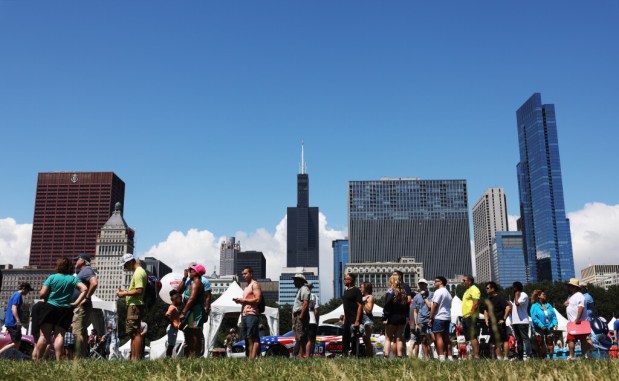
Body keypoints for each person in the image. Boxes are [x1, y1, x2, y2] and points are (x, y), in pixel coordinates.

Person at [34, 257, 88, 361]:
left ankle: (37, 361)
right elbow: (84, 289)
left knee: (44, 336)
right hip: (65, 309)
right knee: (60, 336)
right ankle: (59, 361)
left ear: (58, 266)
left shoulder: (52, 277)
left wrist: (42, 293)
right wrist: (76, 303)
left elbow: (42, 294)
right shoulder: (73, 279)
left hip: (49, 307)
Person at [176, 261, 212, 356]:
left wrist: (183, 312)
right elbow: (178, 291)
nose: (189, 272)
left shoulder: (196, 283)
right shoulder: (192, 282)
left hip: (195, 310)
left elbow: (192, 298)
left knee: (195, 333)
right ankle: (192, 353)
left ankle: (195, 355)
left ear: (196, 272)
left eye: (191, 271)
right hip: (191, 310)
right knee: (191, 332)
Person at [116, 253, 147, 361]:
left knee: (135, 332)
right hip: (134, 305)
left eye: (125, 264)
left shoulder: (138, 273)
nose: (124, 267)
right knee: (133, 333)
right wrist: (125, 292)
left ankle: (135, 358)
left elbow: (139, 291)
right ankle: (133, 357)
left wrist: (124, 294)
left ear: (130, 262)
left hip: (135, 305)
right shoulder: (139, 272)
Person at [71, 253, 98, 358]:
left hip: (82, 306)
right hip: (81, 306)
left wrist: (86, 297)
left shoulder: (87, 270)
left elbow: (94, 283)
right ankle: (81, 356)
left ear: (82, 260)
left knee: (77, 332)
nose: (76, 262)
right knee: (81, 332)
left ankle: (78, 357)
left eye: (77, 259)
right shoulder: (84, 272)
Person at [234, 266, 262, 360]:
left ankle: (251, 358)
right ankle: (252, 357)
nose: (243, 275)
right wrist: (241, 301)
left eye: (245, 273)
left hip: (252, 314)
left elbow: (258, 299)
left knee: (251, 337)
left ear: (251, 274)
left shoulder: (255, 284)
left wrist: (243, 300)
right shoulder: (246, 287)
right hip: (245, 314)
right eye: (243, 274)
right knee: (247, 337)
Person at [0, 282, 33, 355]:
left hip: (10, 322)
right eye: (28, 290)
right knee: (16, 342)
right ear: (24, 289)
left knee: (16, 341)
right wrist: (18, 321)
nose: (28, 293)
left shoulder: (15, 294)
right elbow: (14, 308)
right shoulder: (18, 295)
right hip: (13, 323)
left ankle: (13, 357)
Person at [564, 278, 591, 359]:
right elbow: (569, 304)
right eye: (568, 286)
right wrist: (565, 303)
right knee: (571, 339)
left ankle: (583, 355)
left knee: (582, 339)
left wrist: (577, 318)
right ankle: (572, 356)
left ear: (574, 287)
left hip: (579, 321)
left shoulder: (579, 295)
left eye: (570, 286)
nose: (568, 288)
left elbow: (581, 307)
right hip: (572, 322)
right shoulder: (570, 296)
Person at [484, 281, 511, 360]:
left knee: (505, 340)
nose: (486, 290)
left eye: (487, 288)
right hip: (491, 323)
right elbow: (486, 311)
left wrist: (504, 319)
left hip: (500, 323)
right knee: (496, 341)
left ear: (493, 289)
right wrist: (486, 320)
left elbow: (508, 307)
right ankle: (499, 358)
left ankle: (506, 357)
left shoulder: (500, 298)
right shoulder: (488, 299)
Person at [383, 274, 408, 358]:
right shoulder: (403, 292)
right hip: (402, 318)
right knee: (399, 338)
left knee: (388, 338)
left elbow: (387, 304)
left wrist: (385, 316)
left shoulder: (390, 291)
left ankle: (386, 356)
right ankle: (400, 356)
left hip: (392, 317)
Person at [429, 276, 452, 362]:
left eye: (436, 281)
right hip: (447, 317)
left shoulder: (438, 292)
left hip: (439, 317)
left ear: (441, 282)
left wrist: (431, 317)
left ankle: (441, 357)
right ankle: (449, 357)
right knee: (446, 337)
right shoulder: (448, 293)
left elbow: (435, 305)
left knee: (438, 337)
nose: (434, 283)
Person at [530, 289, 558, 359]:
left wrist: (555, 323)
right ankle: (541, 358)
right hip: (538, 328)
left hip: (549, 326)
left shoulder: (549, 305)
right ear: (539, 296)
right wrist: (541, 325)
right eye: (543, 294)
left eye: (545, 294)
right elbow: (534, 318)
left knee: (550, 342)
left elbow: (553, 315)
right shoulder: (534, 306)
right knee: (540, 343)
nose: (545, 295)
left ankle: (551, 358)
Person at [341, 273, 363, 357]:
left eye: (345, 279)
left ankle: (354, 355)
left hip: (354, 318)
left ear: (350, 281)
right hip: (347, 319)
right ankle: (344, 354)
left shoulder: (356, 291)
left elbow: (360, 305)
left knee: (354, 338)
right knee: (345, 337)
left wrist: (357, 320)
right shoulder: (346, 291)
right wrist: (344, 318)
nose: (344, 280)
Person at [412, 278, 434, 360]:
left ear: (426, 285)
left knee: (433, 338)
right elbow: (415, 311)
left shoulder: (431, 294)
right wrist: (416, 323)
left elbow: (430, 306)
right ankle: (426, 357)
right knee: (424, 340)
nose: (421, 285)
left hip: (430, 319)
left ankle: (436, 356)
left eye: (423, 284)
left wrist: (424, 296)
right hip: (421, 320)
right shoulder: (416, 297)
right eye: (420, 284)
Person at [291, 273, 311, 358]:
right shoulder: (300, 290)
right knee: (299, 335)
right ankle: (301, 354)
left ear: (300, 281)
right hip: (297, 315)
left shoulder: (304, 289)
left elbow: (306, 303)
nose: (294, 282)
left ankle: (301, 354)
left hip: (300, 314)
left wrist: (301, 315)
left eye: (295, 280)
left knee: (301, 336)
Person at [510, 281, 531, 360]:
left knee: (525, 338)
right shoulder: (517, 296)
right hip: (515, 321)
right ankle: (520, 357)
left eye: (513, 288)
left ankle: (529, 355)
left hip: (522, 321)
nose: (512, 289)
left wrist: (516, 295)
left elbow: (517, 304)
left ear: (517, 288)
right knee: (518, 340)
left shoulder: (523, 295)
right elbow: (514, 307)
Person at [461, 275, 481, 358]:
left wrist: (472, 314)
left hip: (470, 316)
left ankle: (476, 356)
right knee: (469, 337)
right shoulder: (467, 291)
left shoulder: (474, 289)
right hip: (465, 316)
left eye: (464, 280)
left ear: (469, 281)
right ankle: (472, 354)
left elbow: (476, 303)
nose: (463, 282)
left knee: (473, 336)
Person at [165, 290, 181, 357]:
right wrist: (173, 324)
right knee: (171, 345)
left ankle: (169, 357)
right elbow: (166, 315)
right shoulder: (172, 307)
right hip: (172, 328)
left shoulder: (175, 307)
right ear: (175, 299)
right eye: (180, 299)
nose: (180, 301)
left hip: (174, 328)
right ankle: (168, 358)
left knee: (172, 344)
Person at [360, 281, 375, 357]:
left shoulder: (370, 297)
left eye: (362, 287)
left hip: (367, 319)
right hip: (360, 319)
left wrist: (363, 302)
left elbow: (369, 310)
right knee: (364, 340)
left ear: (366, 288)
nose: (361, 289)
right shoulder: (360, 297)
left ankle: (370, 357)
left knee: (366, 340)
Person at [306, 282, 320, 357]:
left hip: (304, 321)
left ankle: (301, 355)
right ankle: (310, 355)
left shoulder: (301, 296)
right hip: (312, 321)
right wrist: (317, 321)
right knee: (312, 340)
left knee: (303, 339)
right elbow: (316, 310)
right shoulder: (314, 296)